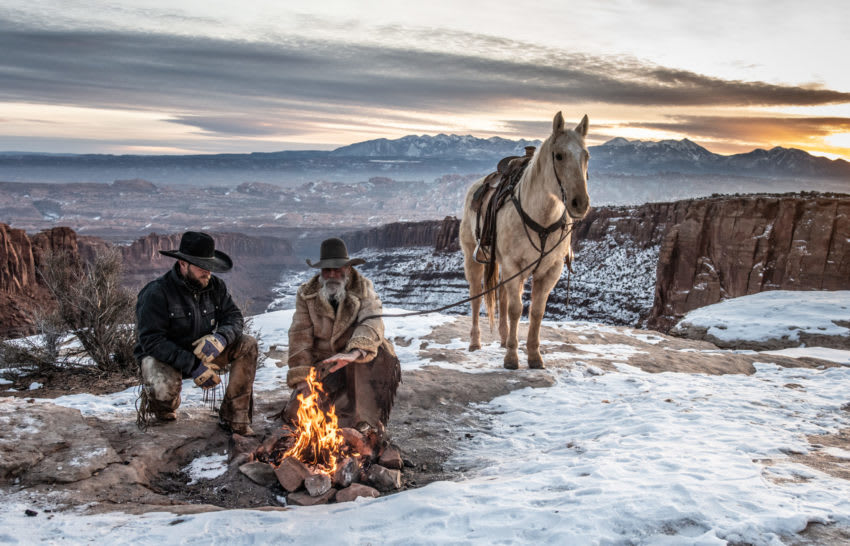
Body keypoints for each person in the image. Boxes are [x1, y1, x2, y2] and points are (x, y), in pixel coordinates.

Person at [134, 231, 258, 435]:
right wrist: (194, 367)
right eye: (202, 267)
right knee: (163, 384)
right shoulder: (157, 293)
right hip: (167, 358)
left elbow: (234, 317)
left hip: (204, 352)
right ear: (183, 264)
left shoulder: (215, 286)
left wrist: (221, 338)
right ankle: (162, 406)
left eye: (210, 267)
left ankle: (235, 417)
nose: (208, 273)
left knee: (247, 344)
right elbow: (151, 341)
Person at [282, 237, 400, 448]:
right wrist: (303, 381)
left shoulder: (363, 288)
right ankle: (338, 405)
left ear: (347, 267)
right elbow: (300, 336)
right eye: (327, 270)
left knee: (355, 417)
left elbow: (372, 321)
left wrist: (353, 353)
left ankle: (364, 425)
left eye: (338, 269)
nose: (333, 274)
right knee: (296, 414)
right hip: (326, 363)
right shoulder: (306, 294)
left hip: (358, 360)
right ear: (320, 271)